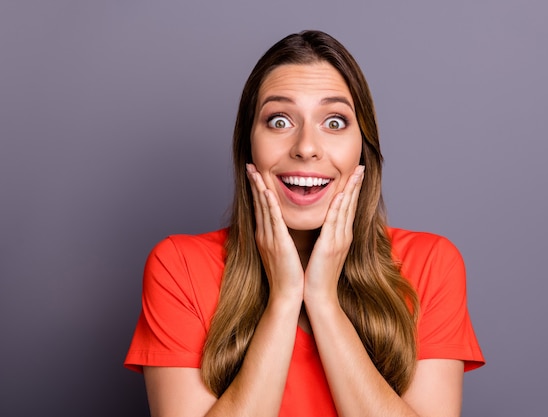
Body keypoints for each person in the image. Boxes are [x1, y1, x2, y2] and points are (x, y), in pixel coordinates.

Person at [125, 30, 484, 417]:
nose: (306, 146)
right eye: (279, 121)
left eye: (334, 122)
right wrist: (283, 299)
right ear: (249, 145)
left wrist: (323, 301)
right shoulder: (178, 266)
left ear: (363, 148)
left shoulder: (430, 263)